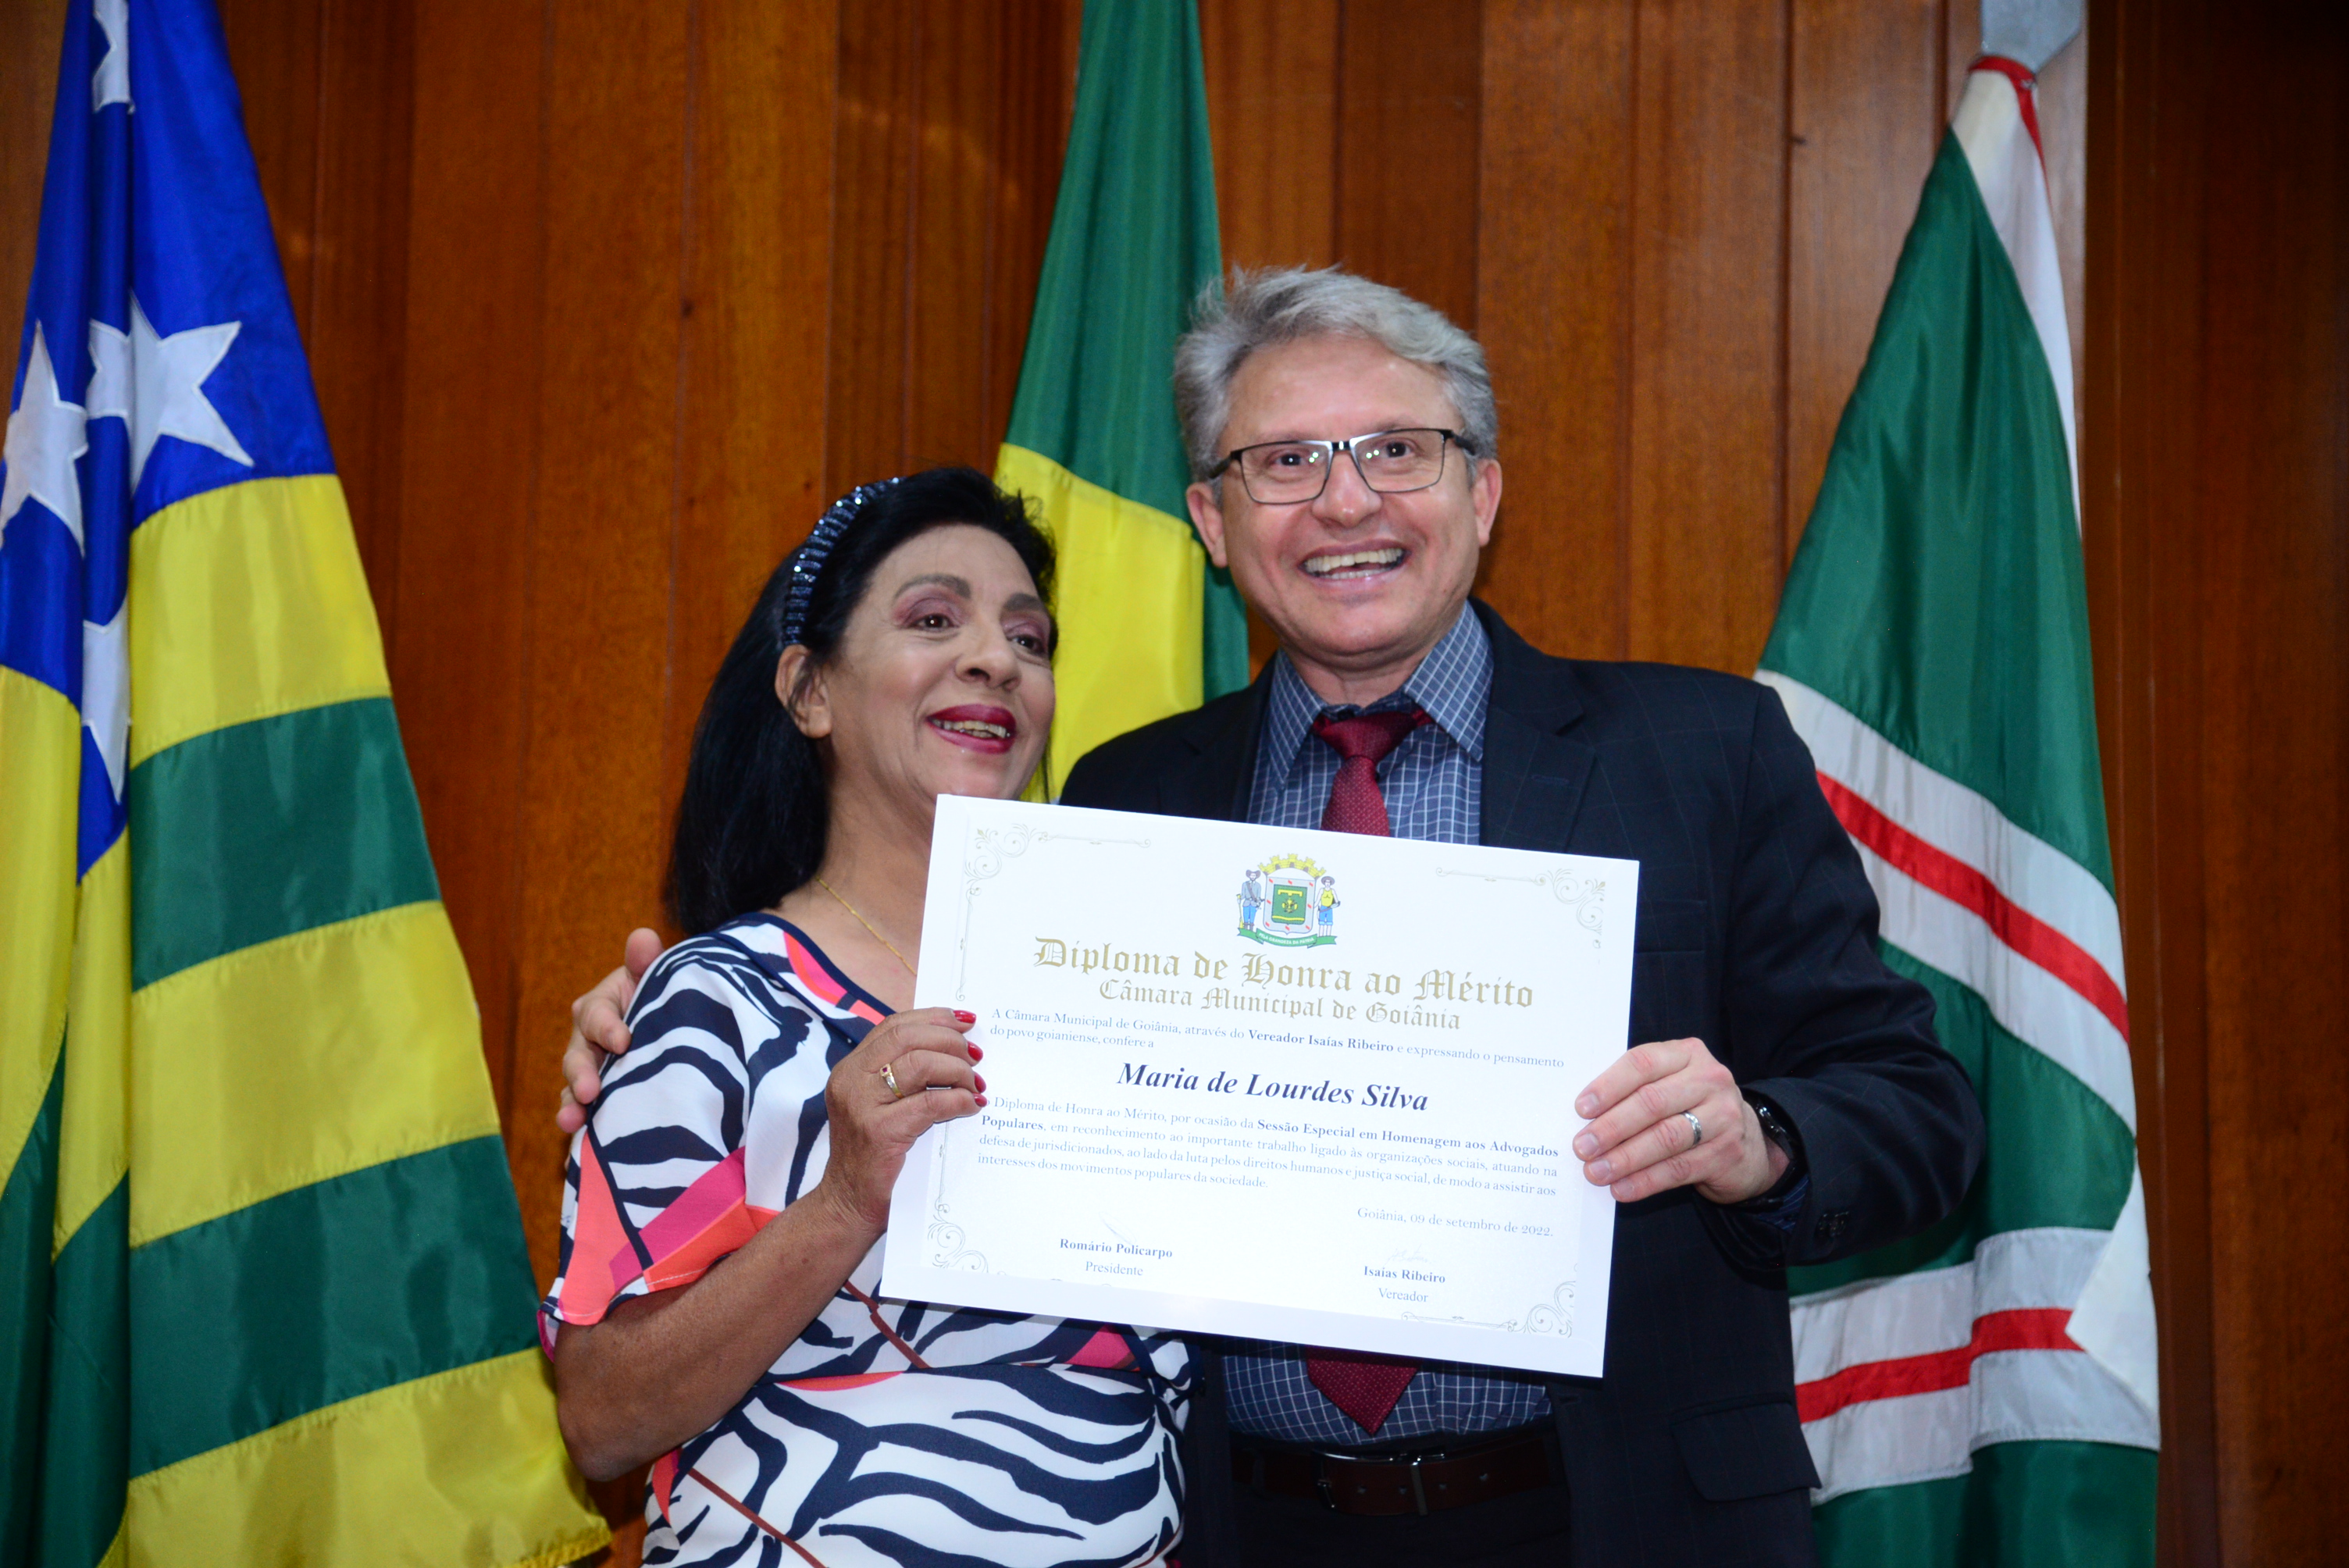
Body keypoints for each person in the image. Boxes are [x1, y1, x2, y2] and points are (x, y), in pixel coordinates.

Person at [563, 271, 1984, 1566]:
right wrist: (673, 1025)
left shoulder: (1704, 753)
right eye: (1286, 463)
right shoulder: (1127, 803)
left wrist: (1758, 1140)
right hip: (1251, 1529)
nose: (1346, 502)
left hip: (1620, 1520)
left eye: (1397, 450)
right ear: (1213, 521)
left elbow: (1919, 1108)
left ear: (1482, 492)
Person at [547, 469, 1191, 1566]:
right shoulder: (713, 1001)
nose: (996, 660)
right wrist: (846, 1197)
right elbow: (603, 1417)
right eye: (934, 620)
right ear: (809, 692)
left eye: (1028, 640)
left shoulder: (1136, 992)